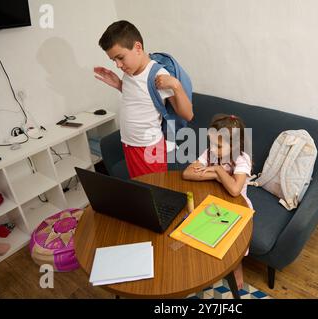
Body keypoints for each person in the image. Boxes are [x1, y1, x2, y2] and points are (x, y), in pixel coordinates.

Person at [94, 20, 193, 178]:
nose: (118, 65)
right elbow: (141, 98)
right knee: (140, 188)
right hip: (129, 144)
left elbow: (188, 114)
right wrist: (119, 84)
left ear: (138, 47)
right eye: (114, 60)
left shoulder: (159, 76)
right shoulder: (129, 71)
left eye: (120, 58)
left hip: (148, 148)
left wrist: (176, 86)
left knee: (155, 191)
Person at [182, 114, 252, 289]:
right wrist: (217, 174)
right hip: (215, 202)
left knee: (234, 244)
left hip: (238, 206)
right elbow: (187, 173)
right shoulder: (210, 153)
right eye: (211, 143)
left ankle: (237, 266)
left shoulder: (242, 159)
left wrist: (218, 170)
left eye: (218, 146)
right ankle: (207, 266)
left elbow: (235, 191)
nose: (213, 149)